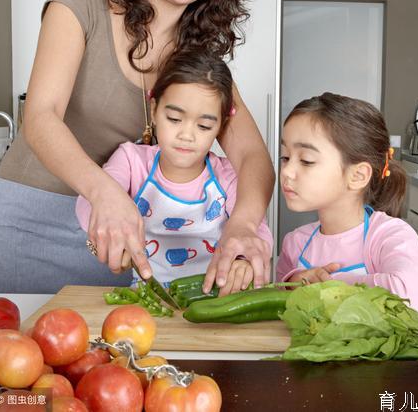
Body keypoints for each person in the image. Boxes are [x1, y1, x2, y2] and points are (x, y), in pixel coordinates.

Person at [0, 0, 274, 294]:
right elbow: (41, 116)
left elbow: (253, 156)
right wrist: (104, 193)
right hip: (34, 226)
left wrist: (244, 224)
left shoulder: (198, 60)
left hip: (124, 245)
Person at [75, 51, 272, 293]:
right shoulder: (131, 161)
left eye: (204, 126)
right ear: (155, 109)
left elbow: (258, 231)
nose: (186, 135)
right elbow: (88, 202)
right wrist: (108, 230)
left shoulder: (227, 177)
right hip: (148, 298)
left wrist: (243, 263)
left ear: (221, 125)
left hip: (214, 301)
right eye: (175, 118)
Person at [276, 93, 418, 311]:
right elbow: (274, 301)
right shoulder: (295, 243)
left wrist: (325, 287)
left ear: (357, 175)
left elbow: (407, 295)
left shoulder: (389, 236)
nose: (287, 171)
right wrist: (294, 282)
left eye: (306, 160)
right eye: (285, 157)